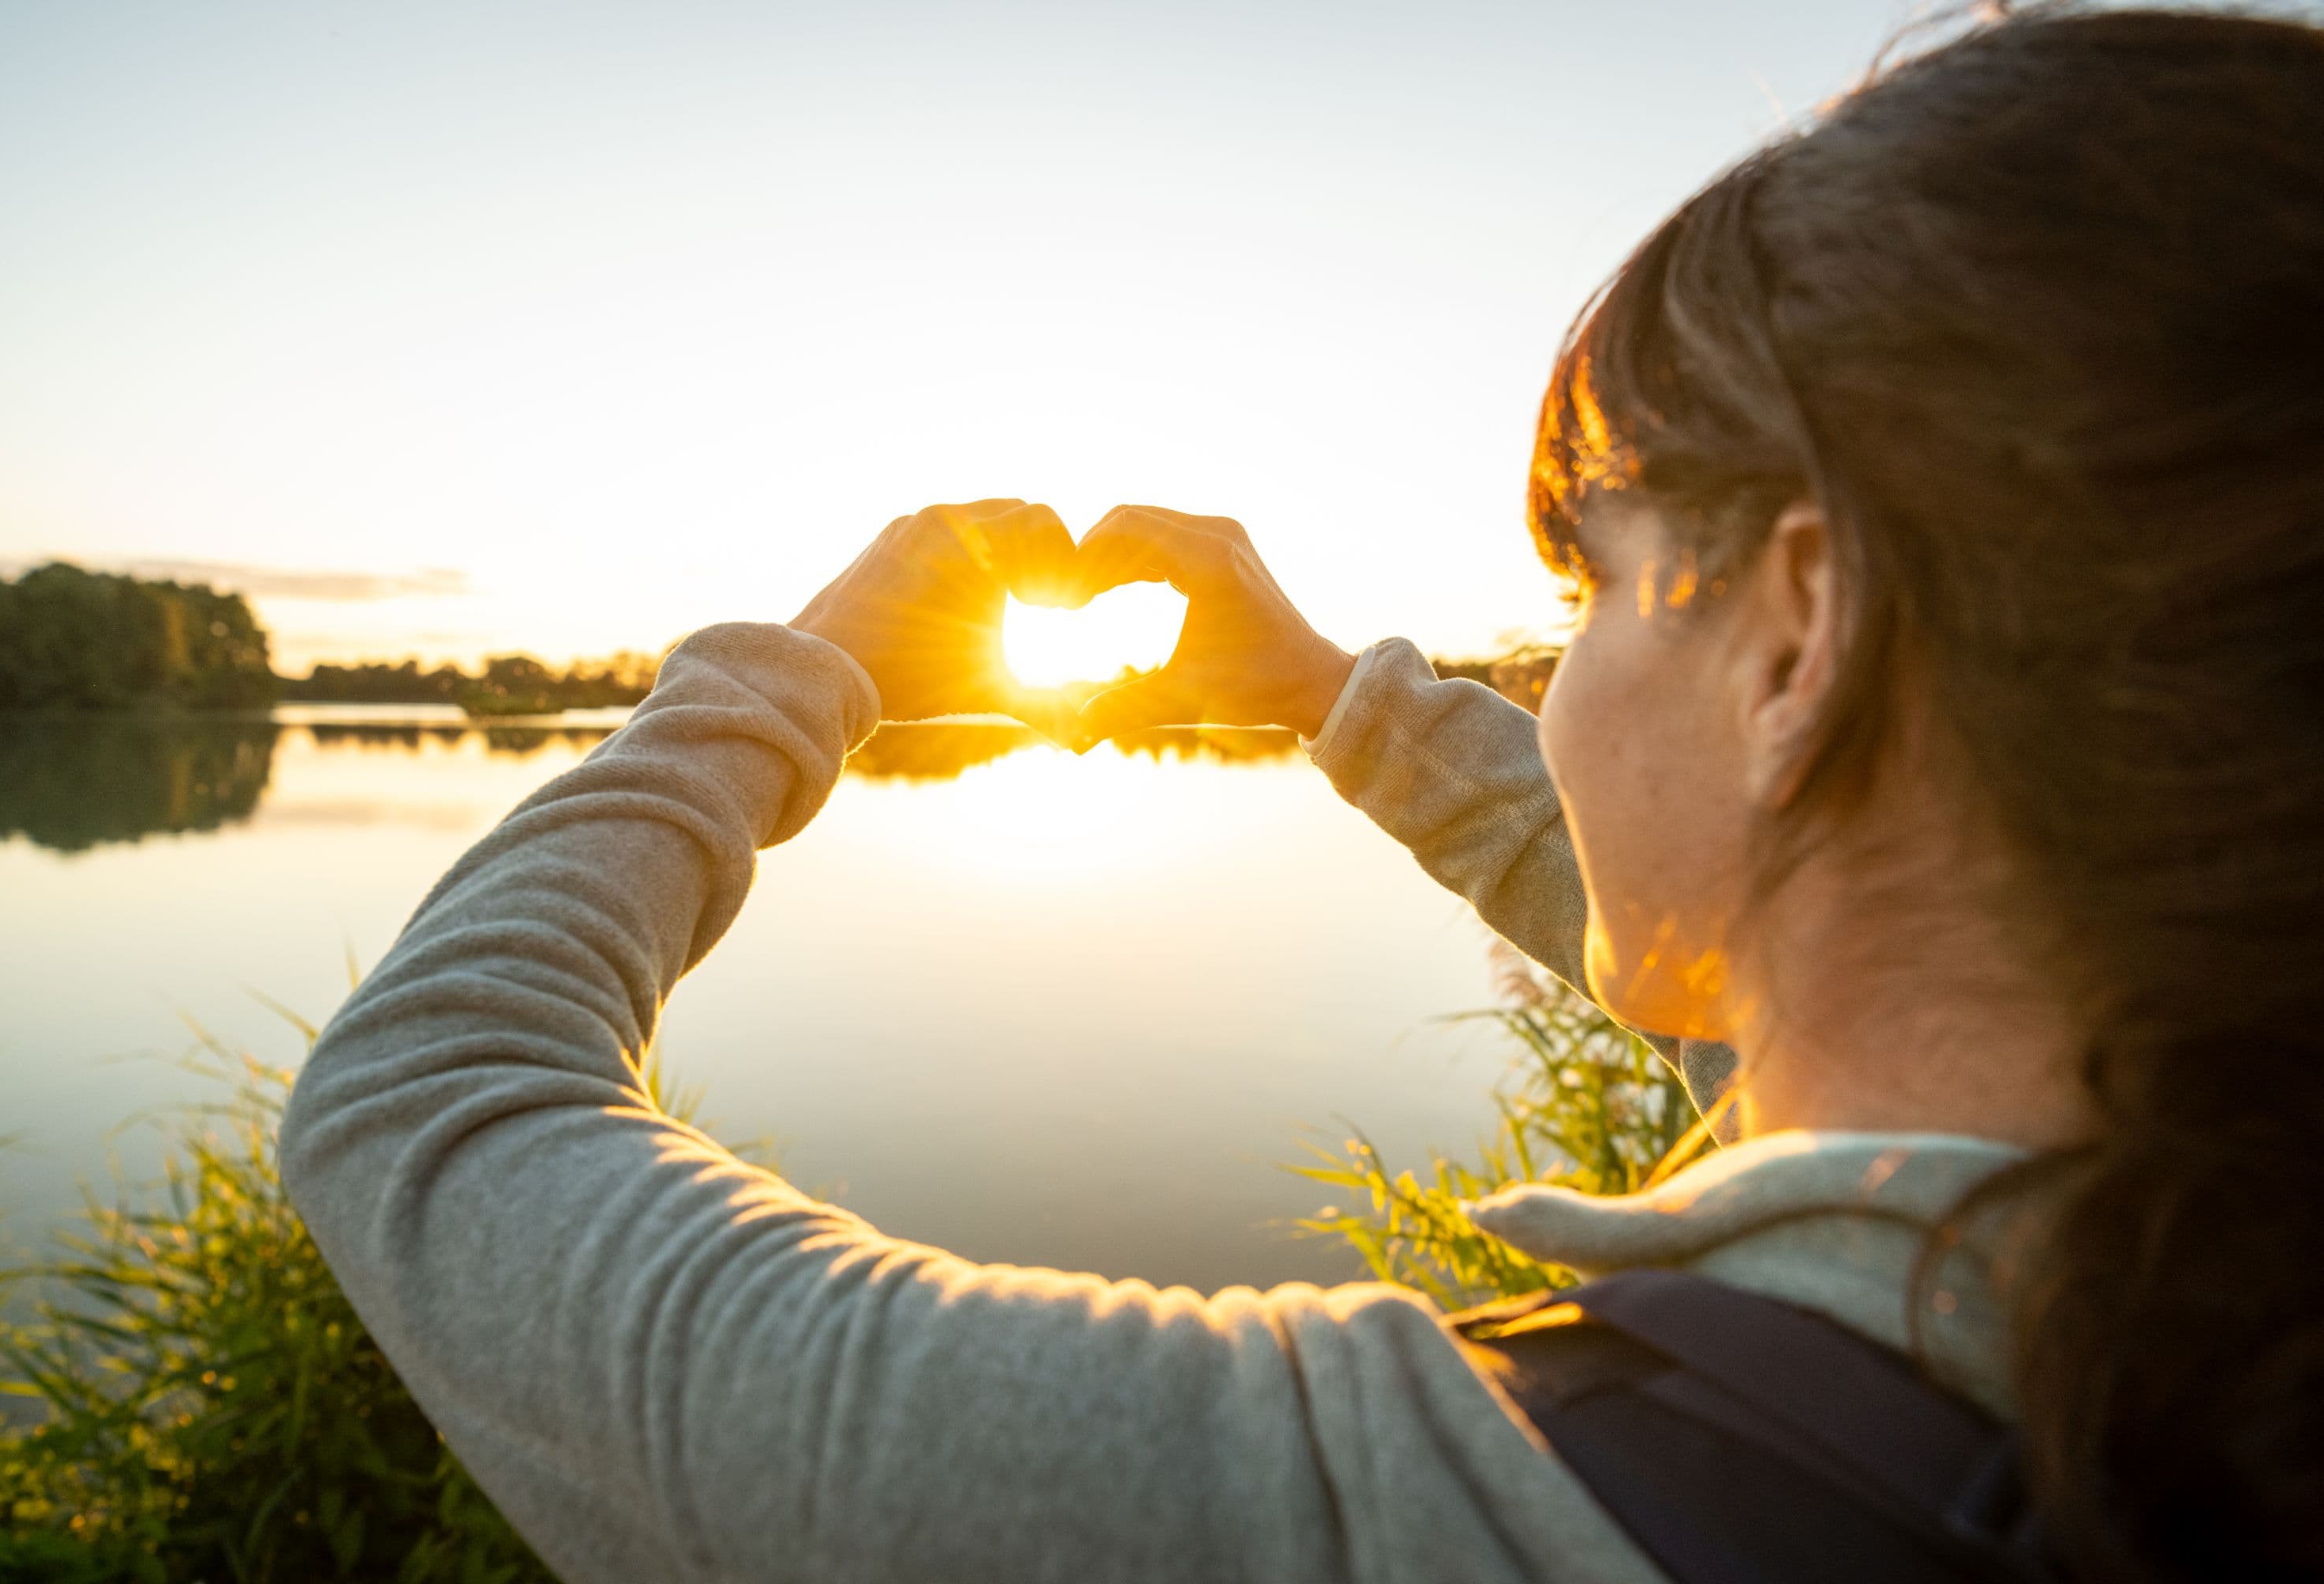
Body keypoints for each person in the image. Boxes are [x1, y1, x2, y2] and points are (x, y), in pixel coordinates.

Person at [278, 9, 2324, 1581]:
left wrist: (782, 682)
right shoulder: (2211, 1292)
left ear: (1799, 637)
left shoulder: (1346, 1515)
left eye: (1589, 591)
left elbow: (422, 1100)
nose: (1557, 682)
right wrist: (1335, 701)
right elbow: (1749, 950)